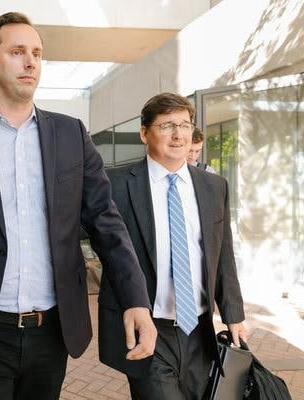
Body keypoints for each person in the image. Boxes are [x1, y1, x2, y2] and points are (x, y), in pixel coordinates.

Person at [0, 11, 156, 400]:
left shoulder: (71, 134)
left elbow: (107, 224)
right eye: (18, 52)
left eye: (37, 53)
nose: (31, 63)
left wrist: (136, 299)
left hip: (51, 331)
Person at [98, 93, 247, 399]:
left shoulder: (213, 186)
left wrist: (234, 312)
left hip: (200, 330)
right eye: (167, 126)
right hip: (148, 328)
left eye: (185, 125)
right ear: (144, 133)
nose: (179, 134)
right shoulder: (115, 186)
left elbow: (224, 254)